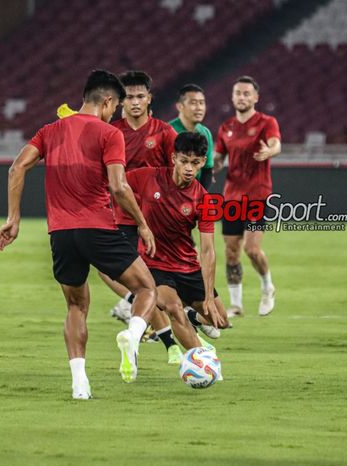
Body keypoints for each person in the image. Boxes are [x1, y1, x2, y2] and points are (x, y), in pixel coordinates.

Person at [0, 70, 158, 399]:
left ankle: (79, 382)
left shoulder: (49, 131)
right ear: (108, 102)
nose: (115, 113)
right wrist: (141, 221)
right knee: (146, 288)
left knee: (76, 306)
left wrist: (14, 217)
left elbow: (16, 168)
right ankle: (134, 334)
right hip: (98, 228)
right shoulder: (109, 134)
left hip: (60, 234)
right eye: (116, 107)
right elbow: (117, 185)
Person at [101, 70, 183, 364]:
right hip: (121, 217)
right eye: (129, 97)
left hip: (156, 221)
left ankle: (177, 336)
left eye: (140, 96)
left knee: (152, 284)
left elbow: (179, 173)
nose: (135, 102)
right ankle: (167, 339)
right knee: (111, 272)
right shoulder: (112, 132)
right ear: (121, 101)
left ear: (149, 98)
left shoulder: (164, 133)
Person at [126, 132, 228, 352]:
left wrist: (209, 296)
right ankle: (200, 363)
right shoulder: (147, 177)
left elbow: (208, 250)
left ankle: (194, 315)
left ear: (202, 162)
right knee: (173, 308)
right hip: (154, 265)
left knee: (221, 320)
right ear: (173, 158)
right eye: (184, 161)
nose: (189, 168)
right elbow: (116, 184)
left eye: (195, 163)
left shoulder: (204, 199)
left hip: (188, 267)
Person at [213, 76, 281, 318]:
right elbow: (219, 157)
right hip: (232, 195)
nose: (241, 97)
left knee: (252, 249)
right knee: (231, 251)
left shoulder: (266, 122)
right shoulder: (226, 127)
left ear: (255, 97)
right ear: (232, 97)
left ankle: (267, 286)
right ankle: (236, 304)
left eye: (246, 93)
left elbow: (276, 144)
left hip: (257, 194)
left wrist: (269, 151)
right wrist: (213, 165)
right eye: (238, 93)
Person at [168, 84, 215, 191]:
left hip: (193, 196)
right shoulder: (167, 131)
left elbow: (207, 170)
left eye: (201, 103)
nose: (199, 108)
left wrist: (199, 197)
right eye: (193, 103)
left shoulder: (206, 132)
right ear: (180, 106)